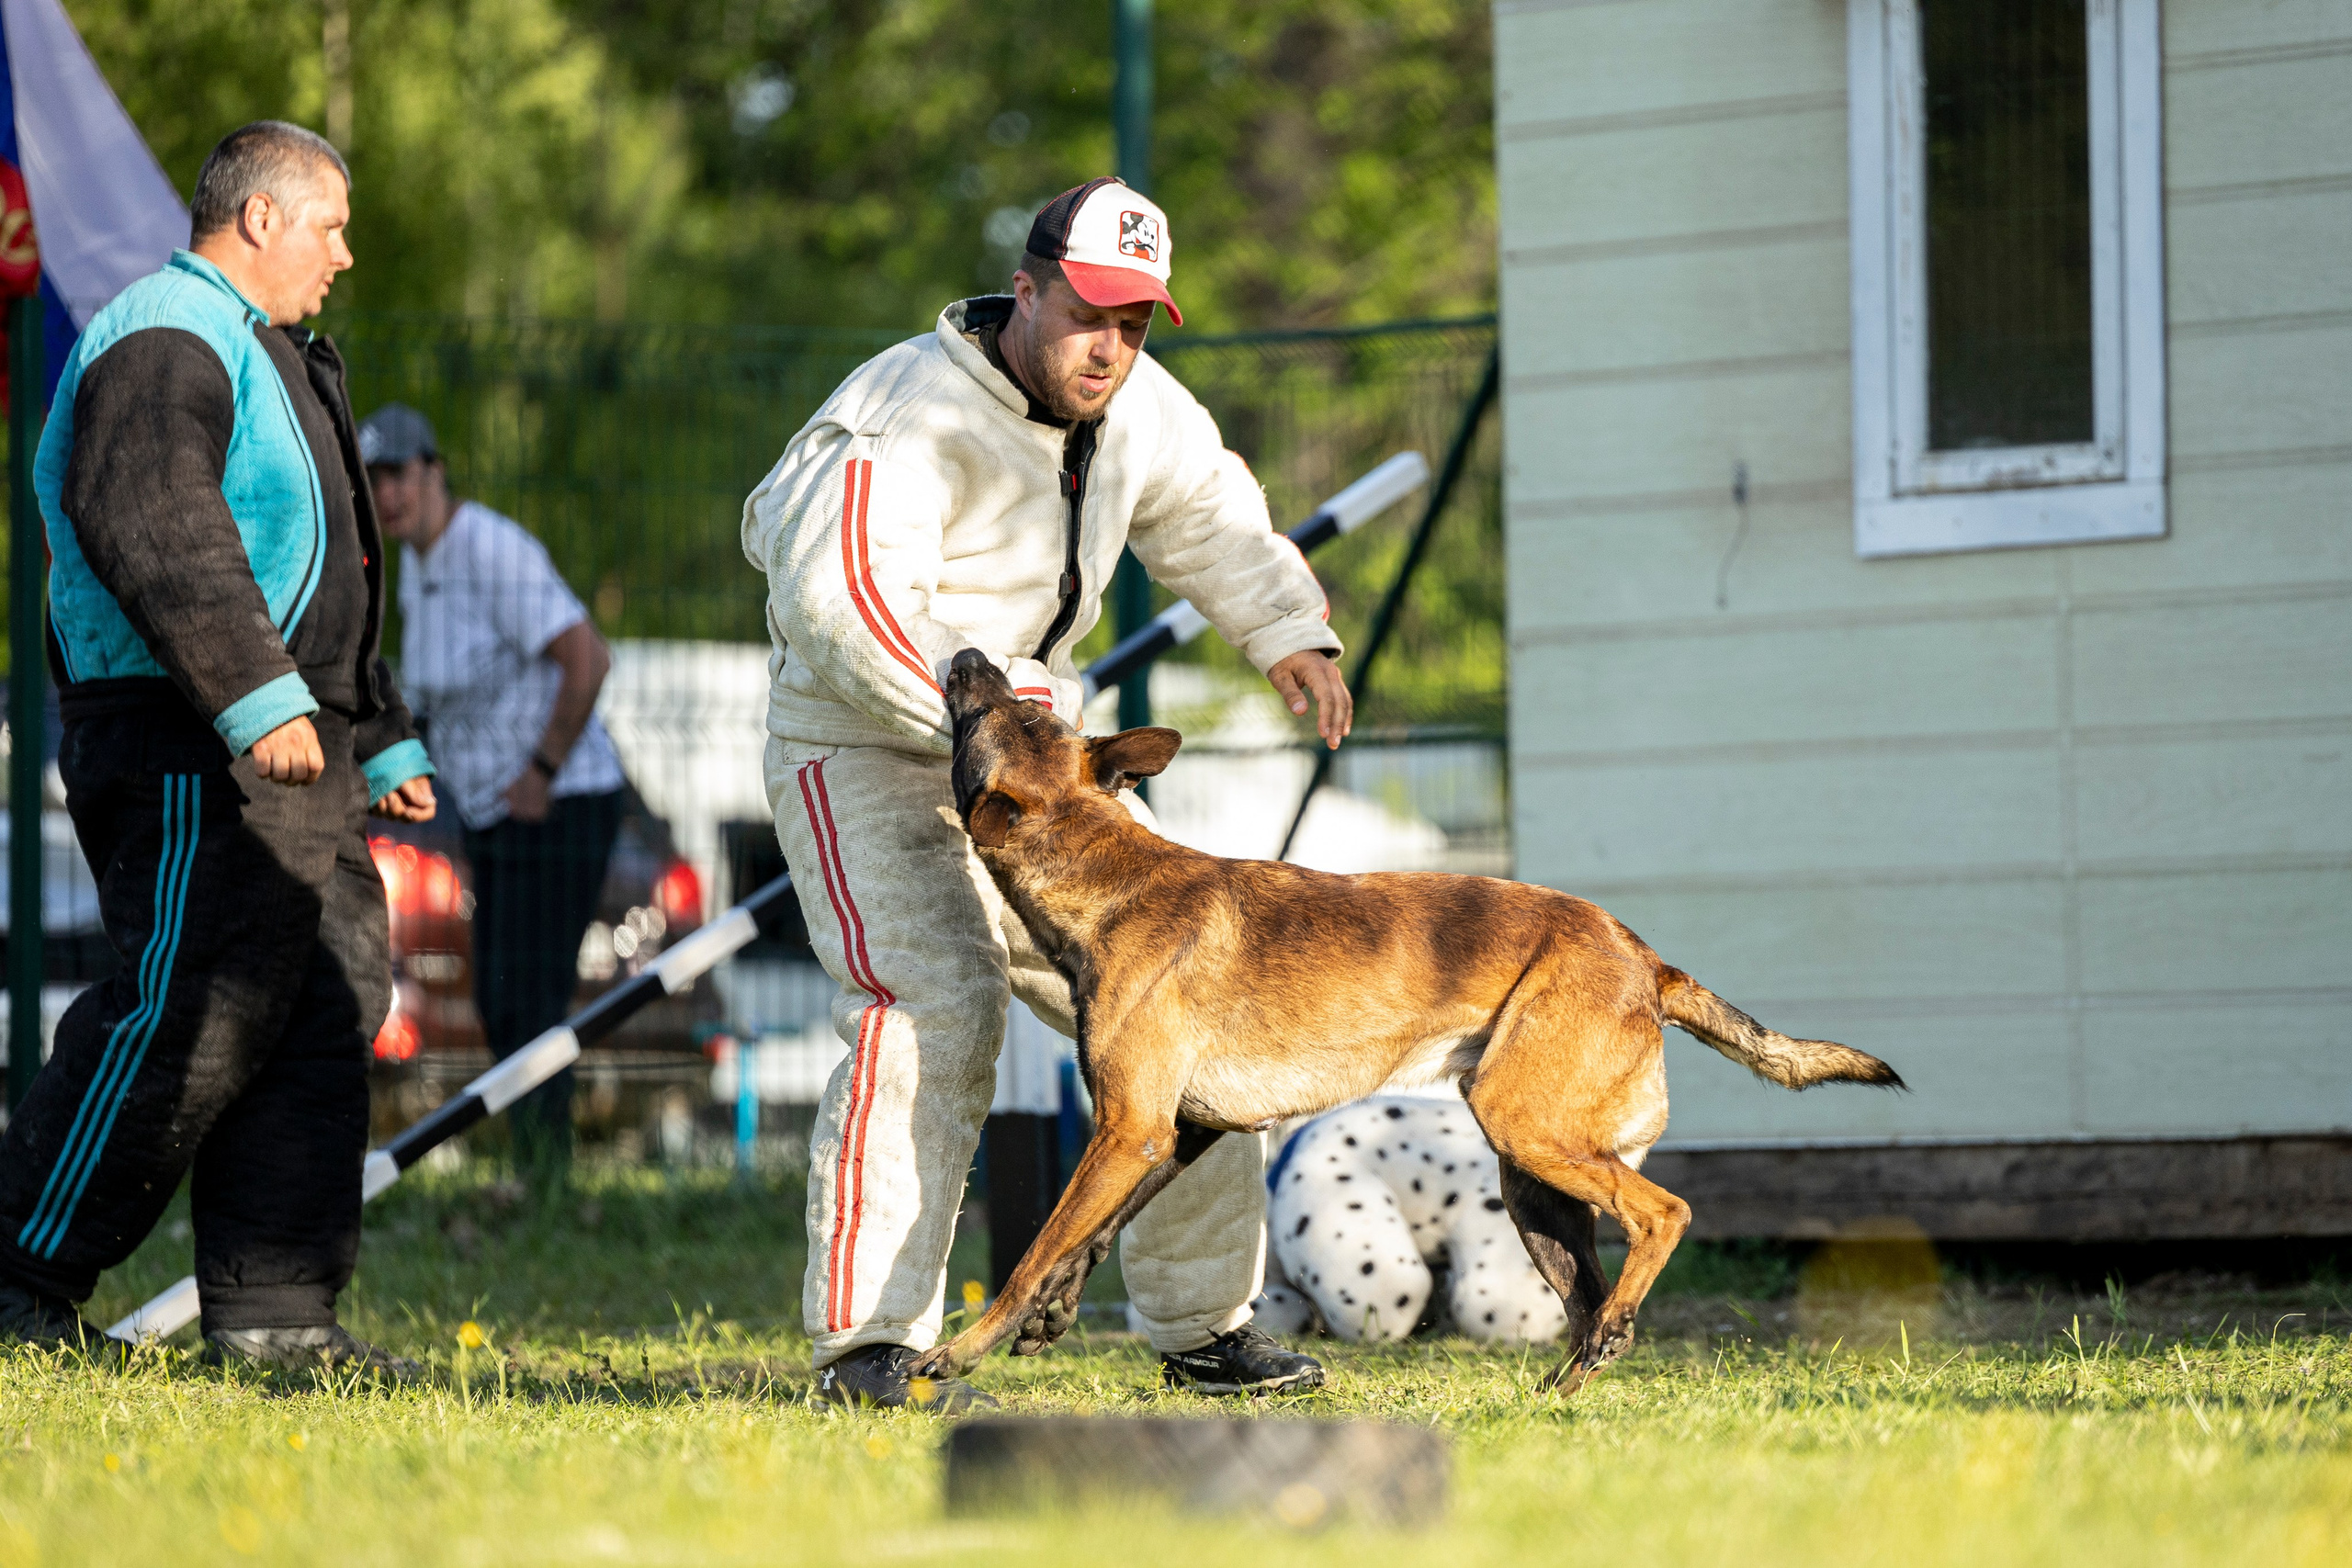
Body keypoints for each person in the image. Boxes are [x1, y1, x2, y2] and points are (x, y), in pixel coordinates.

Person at [743, 177, 1354, 1410]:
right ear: (1023, 291)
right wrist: (998, 734)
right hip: (869, 738)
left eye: (1136, 325)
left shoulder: (1137, 404)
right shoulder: (900, 413)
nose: (1111, 347)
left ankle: (1203, 1324)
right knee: (937, 999)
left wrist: (1291, 626)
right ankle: (869, 1345)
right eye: (1090, 316)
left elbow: (1212, 513)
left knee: (1198, 986)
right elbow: (838, 604)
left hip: (1035, 755)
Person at [0, 122, 435, 1368]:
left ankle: (277, 1316)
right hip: (188, 732)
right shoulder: (161, 328)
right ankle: (16, 1270)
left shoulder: (267, 348)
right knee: (192, 1009)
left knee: (320, 1002)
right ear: (258, 218)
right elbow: (148, 513)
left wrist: (380, 730)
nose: (345, 254)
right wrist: (254, 695)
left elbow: (326, 561)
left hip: (285, 739)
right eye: (330, 224)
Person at [359, 404, 624, 1180]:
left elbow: (589, 658)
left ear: (434, 472)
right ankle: (533, 1169)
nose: (387, 494)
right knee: (501, 1001)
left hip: (563, 799)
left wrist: (539, 770)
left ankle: (546, 1180)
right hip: (495, 814)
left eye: (399, 475)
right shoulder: (415, 563)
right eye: (374, 480)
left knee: (530, 996)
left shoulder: (491, 549)